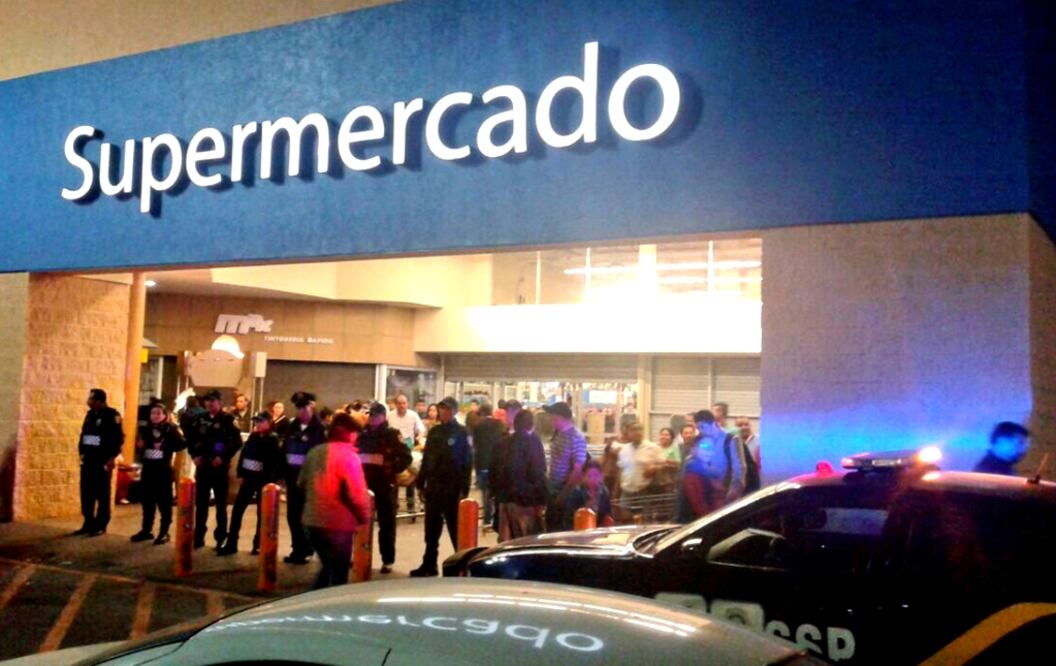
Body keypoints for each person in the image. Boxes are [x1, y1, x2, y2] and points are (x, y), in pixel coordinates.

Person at [298, 412, 372, 589]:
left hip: (311, 521)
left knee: (327, 567)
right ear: (350, 434)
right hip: (337, 523)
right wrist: (364, 517)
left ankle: (314, 598)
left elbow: (301, 483)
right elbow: (356, 493)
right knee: (338, 573)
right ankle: (328, 603)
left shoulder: (314, 453)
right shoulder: (349, 457)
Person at [411, 397, 472, 577]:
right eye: (441, 408)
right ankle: (429, 564)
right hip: (434, 486)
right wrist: (421, 482)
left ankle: (461, 565)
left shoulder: (462, 432)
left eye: (447, 409)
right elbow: (427, 458)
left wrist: (464, 490)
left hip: (453, 487)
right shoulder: (435, 431)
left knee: (456, 529)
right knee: (431, 530)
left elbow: (467, 463)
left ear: (454, 411)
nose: (443, 412)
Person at [358, 402, 412, 574]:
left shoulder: (392, 434)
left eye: (375, 415)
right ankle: (360, 555)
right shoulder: (362, 434)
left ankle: (387, 560)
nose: (372, 418)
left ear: (383, 416)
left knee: (386, 523)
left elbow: (406, 457)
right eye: (370, 414)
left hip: (384, 484)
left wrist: (392, 470)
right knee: (361, 522)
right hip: (364, 484)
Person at [220, 412, 281, 555]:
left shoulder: (272, 439)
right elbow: (244, 455)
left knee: (262, 513)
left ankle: (258, 544)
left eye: (260, 421)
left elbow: (274, 462)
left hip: (263, 481)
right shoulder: (253, 436)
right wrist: (240, 473)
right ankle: (231, 542)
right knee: (237, 510)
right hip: (248, 479)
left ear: (268, 422)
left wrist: (269, 480)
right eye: (256, 421)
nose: (257, 424)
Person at [189, 389, 243, 550]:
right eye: (207, 401)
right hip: (203, 466)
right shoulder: (199, 419)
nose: (210, 404)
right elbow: (191, 439)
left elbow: (237, 442)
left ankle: (221, 537)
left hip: (219, 467)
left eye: (212, 401)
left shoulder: (227, 420)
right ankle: (199, 536)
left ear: (219, 402)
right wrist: (194, 455)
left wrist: (224, 457)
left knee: (220, 504)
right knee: (201, 504)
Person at [281, 391, 327, 564]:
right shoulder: (292, 427)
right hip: (293, 479)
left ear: (311, 407)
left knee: (307, 517)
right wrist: (281, 476)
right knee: (293, 516)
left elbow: (322, 455)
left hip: (311, 481)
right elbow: (284, 452)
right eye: (299, 408)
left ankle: (308, 549)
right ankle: (297, 548)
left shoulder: (319, 429)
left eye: (304, 407)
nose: (302, 411)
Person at [130, 402, 185, 545]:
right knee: (147, 501)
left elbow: (181, 444)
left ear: (164, 415)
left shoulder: (171, 429)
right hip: (148, 469)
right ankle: (146, 529)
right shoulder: (146, 429)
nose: (155, 416)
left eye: (158, 413)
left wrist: (165, 446)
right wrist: (140, 446)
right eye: (153, 413)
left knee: (164, 502)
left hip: (163, 470)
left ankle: (164, 531)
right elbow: (140, 446)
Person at [490, 409, 547, 541]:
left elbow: (493, 471)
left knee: (506, 542)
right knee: (525, 541)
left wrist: (494, 494)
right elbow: (538, 472)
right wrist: (542, 500)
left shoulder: (501, 443)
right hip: (525, 501)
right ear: (531, 425)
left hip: (504, 500)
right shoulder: (533, 443)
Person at [74, 388, 124, 537]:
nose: (88, 402)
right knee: (86, 492)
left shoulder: (112, 415)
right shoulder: (90, 415)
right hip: (88, 460)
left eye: (91, 399)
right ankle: (88, 521)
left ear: (99, 401)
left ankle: (101, 524)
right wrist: (82, 453)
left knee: (102, 494)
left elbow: (117, 439)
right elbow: (84, 435)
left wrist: (111, 458)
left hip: (102, 461)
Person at [681, 409, 744, 520]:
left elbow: (739, 469)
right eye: (699, 428)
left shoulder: (730, 439)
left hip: (725, 492)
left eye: (703, 427)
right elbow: (695, 459)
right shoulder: (699, 439)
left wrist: (734, 493)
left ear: (714, 423)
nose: (701, 430)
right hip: (706, 491)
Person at [543, 401, 588, 532]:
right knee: (551, 525)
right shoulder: (558, 433)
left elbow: (578, 468)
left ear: (561, 417)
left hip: (565, 490)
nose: (550, 419)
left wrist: (564, 493)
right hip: (553, 487)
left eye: (553, 416)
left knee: (561, 528)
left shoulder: (576, 437)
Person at [388, 394, 426, 512]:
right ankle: (394, 505)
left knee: (410, 478)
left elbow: (421, 430)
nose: (402, 406)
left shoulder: (413, 415)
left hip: (408, 448)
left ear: (407, 404)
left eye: (404, 403)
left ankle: (410, 505)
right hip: (394, 450)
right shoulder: (390, 416)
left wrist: (418, 437)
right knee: (395, 477)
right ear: (396, 404)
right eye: (399, 403)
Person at [472, 404, 506, 529]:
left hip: (483, 463)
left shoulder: (477, 426)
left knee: (486, 492)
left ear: (481, 413)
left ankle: (487, 519)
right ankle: (497, 518)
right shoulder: (500, 425)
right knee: (498, 491)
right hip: (498, 463)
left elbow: (476, 448)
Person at [565, 459, 613, 527]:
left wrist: (607, 519)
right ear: (583, 477)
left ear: (601, 476)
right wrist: (586, 508)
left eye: (596, 475)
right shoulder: (577, 493)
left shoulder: (604, 492)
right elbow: (570, 516)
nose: (592, 479)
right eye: (589, 476)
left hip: (598, 528)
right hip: (580, 528)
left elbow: (608, 512)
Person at [735, 416, 761, 492]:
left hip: (755, 481)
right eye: (740, 425)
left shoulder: (760, 441)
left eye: (746, 424)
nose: (743, 427)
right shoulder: (732, 442)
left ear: (750, 426)